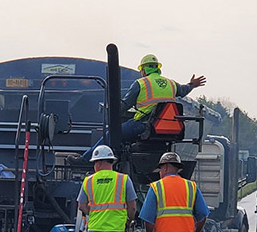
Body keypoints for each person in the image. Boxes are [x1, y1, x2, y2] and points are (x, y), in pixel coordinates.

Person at [77, 54, 206, 162]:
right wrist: (192, 84)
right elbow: (183, 90)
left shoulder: (141, 83)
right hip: (169, 128)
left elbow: (123, 107)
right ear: (157, 69)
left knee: (111, 135)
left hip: (144, 125)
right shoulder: (171, 83)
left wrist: (112, 108)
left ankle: (85, 160)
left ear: (143, 70)